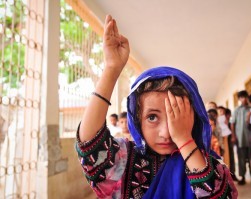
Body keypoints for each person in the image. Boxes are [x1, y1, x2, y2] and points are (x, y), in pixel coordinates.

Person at [76, 15, 237, 198]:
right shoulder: (128, 161)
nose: (166, 132)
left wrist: (184, 140)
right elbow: (90, 145)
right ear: (138, 121)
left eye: (177, 115)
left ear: (195, 115)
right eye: (152, 117)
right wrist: (111, 69)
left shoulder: (211, 166)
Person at [231, 90, 251, 185]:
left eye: (245, 97)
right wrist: (233, 136)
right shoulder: (236, 110)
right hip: (240, 138)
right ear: (239, 99)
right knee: (241, 159)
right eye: (241, 97)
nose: (244, 99)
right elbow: (232, 123)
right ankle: (242, 177)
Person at [226, 108, 238, 181]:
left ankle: (233, 174)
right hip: (224, 145)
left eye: (228, 114)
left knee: (232, 158)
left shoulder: (231, 124)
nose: (227, 116)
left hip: (230, 144)